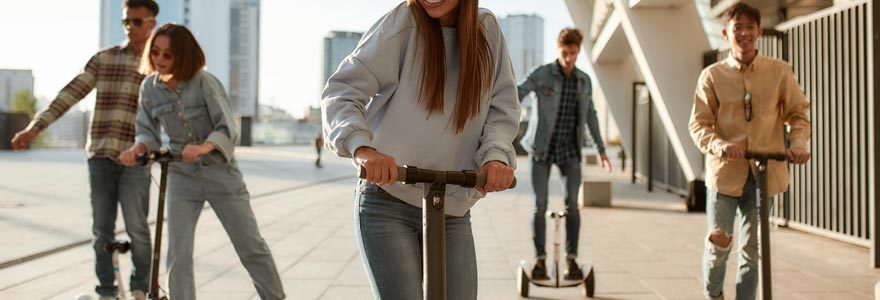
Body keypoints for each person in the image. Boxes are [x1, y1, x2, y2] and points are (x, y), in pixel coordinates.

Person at [321, 0, 520, 298]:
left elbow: (501, 108)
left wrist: (496, 156)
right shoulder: (403, 22)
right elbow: (342, 92)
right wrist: (363, 149)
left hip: (451, 205)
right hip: (387, 199)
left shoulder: (485, 30)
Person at [119, 23, 285, 300]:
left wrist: (204, 147)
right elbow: (147, 130)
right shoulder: (149, 88)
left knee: (250, 245)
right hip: (181, 178)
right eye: (155, 53)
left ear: (183, 56)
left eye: (167, 55)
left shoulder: (204, 82)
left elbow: (226, 127)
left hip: (220, 173)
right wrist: (137, 148)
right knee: (178, 253)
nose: (159, 60)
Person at [10, 1, 159, 298]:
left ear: (152, 23)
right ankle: (106, 290)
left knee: (138, 230)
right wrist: (35, 127)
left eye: (137, 22)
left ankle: (142, 289)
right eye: (126, 22)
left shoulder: (160, 64)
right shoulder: (104, 59)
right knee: (101, 231)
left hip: (137, 159)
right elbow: (69, 94)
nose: (130, 27)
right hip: (101, 156)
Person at [688, 3, 811, 299]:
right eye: (737, 27)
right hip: (725, 174)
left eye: (749, 27)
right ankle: (714, 295)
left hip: (763, 175)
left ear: (758, 32)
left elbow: (798, 114)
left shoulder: (780, 72)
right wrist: (719, 145)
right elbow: (699, 125)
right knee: (719, 244)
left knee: (752, 250)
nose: (743, 33)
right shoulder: (712, 75)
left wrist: (798, 144)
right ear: (726, 33)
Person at [516, 27, 611, 281]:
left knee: (573, 206)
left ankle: (571, 260)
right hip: (541, 149)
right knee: (540, 206)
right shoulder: (542, 74)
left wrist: (602, 150)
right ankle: (540, 261)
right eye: (565, 53)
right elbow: (517, 93)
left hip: (570, 151)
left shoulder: (583, 80)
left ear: (578, 51)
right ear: (558, 49)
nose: (569, 58)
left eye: (574, 53)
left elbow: (590, 115)